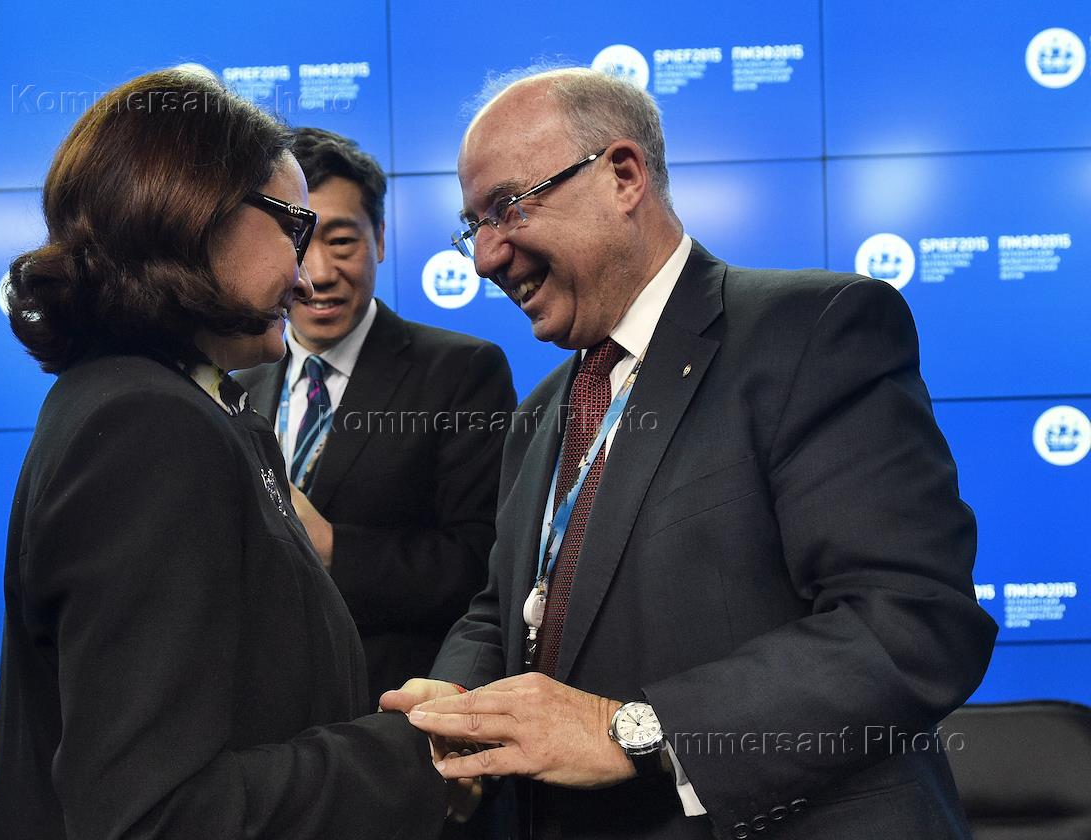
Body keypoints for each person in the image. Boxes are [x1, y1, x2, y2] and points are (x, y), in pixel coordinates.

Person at [382, 67, 997, 839]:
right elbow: (510, 607)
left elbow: (912, 621)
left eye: (507, 208)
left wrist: (633, 731)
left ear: (623, 176)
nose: (484, 258)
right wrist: (458, 703)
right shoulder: (542, 412)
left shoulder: (814, 332)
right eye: (473, 226)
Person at [0, 68, 446, 839]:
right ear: (193, 214)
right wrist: (408, 756)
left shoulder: (173, 404)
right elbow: (156, 817)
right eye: (293, 227)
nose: (305, 275)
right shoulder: (147, 425)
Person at [236, 128, 516, 706]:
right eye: (296, 241)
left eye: (341, 241)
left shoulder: (462, 371)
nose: (317, 273)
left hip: (392, 714)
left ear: (381, 238)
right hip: (264, 717)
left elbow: (485, 565)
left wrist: (332, 547)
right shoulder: (239, 383)